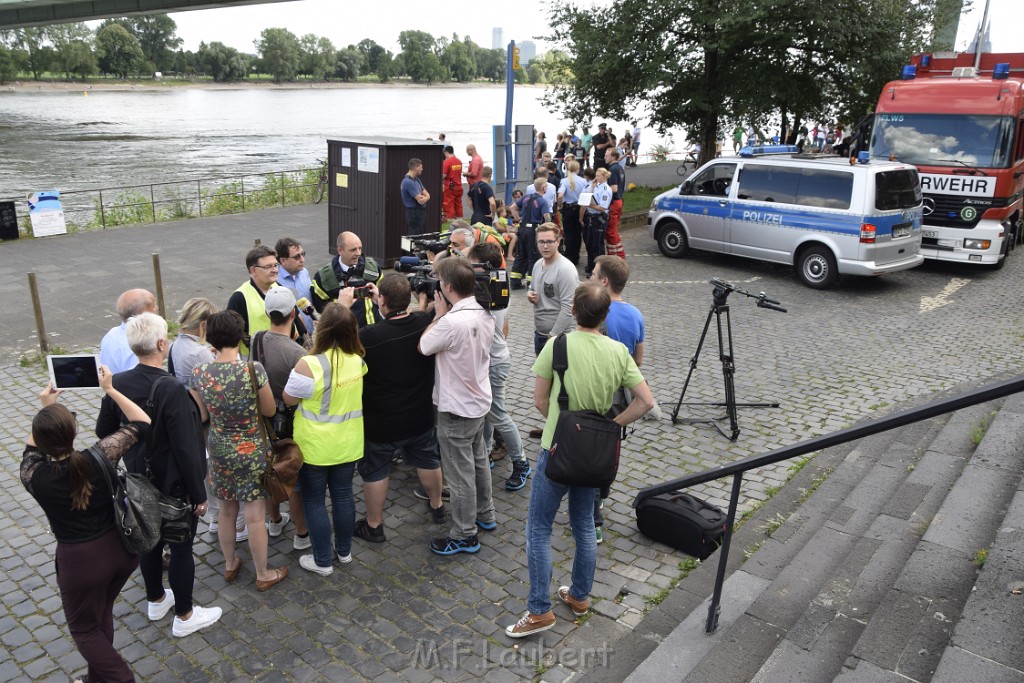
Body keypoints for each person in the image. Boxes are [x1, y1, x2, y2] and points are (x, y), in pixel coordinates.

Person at [505, 282, 654, 638]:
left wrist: (561, 426)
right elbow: (646, 402)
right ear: (605, 316)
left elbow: (540, 400)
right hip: (594, 454)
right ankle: (579, 596)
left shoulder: (558, 345)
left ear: (573, 311)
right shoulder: (618, 351)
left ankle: (540, 610)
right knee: (585, 524)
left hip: (556, 448)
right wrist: (611, 426)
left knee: (539, 527)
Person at [95, 312, 221, 637]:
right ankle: (185, 614)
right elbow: (187, 449)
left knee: (147, 542)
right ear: (162, 344)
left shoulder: (118, 383)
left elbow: (104, 431)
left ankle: (155, 600)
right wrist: (198, 494)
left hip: (138, 481)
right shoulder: (173, 389)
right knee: (180, 549)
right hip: (174, 484)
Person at [23, 367, 151, 682]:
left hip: (80, 563)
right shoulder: (99, 456)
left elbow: (30, 451)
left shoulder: (34, 476)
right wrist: (109, 388)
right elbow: (142, 422)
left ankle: (121, 678)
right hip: (121, 552)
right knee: (101, 613)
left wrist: (46, 409)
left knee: (84, 629)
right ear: (75, 431)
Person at [192, 311, 288, 592]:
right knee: (256, 516)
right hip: (251, 448)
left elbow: (200, 415)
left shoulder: (199, 372)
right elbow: (269, 410)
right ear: (239, 336)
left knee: (226, 511)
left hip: (220, 448)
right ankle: (262, 573)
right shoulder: (252, 369)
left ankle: (230, 562)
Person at [355, 273, 446, 543]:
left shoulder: (368, 337)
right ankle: (437, 506)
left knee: (376, 471)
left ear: (381, 300)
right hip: (419, 415)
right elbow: (418, 316)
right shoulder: (424, 322)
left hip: (382, 422)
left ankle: (374, 525)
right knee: (428, 460)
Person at [418, 256, 496, 555]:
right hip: (478, 401)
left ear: (447, 287)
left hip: (455, 409)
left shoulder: (450, 322)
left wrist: (437, 314)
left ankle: (465, 534)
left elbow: (424, 346)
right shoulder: (484, 313)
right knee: (478, 461)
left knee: (459, 475)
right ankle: (485, 514)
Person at [283, 303, 367, 575]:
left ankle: (321, 561)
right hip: (348, 443)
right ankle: (344, 552)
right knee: (344, 497)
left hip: (315, 446)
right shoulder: (358, 361)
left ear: (323, 329)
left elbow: (288, 398)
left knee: (315, 501)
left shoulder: (309, 364)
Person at [249, 287, 310, 550]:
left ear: (267, 313)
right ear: (293, 313)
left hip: (263, 419)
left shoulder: (256, 339)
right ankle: (302, 534)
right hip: (291, 422)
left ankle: (274, 521)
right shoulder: (298, 354)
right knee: (292, 476)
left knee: (270, 469)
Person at [469, 242, 531, 491]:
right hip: (490, 359)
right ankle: (484, 455)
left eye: (471, 263)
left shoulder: (488, 292)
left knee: (498, 415)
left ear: (483, 267)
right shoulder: (497, 284)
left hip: (493, 362)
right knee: (486, 413)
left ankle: (521, 463)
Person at [226, 245, 291, 357]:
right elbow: (230, 338)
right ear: (253, 270)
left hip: (281, 355)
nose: (274, 270)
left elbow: (295, 318)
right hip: (253, 361)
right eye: (268, 267)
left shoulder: (279, 288)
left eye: (276, 265)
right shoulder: (240, 298)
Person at [310, 230, 382, 327]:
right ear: (340, 250)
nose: (358, 253)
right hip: (346, 334)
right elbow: (321, 307)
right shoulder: (324, 277)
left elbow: (384, 295)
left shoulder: (372, 268)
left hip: (373, 330)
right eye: (353, 250)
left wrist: (378, 300)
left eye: (360, 248)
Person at [509, 177, 553, 290]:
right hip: (533, 231)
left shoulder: (525, 198)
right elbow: (547, 217)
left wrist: (519, 220)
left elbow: (513, 207)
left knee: (520, 255)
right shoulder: (542, 201)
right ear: (543, 187)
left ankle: (514, 281)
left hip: (522, 229)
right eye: (546, 186)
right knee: (533, 256)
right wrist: (548, 229)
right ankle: (531, 283)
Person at [99, 289, 157, 373]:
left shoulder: (111, 333)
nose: (156, 308)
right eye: (154, 306)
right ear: (144, 313)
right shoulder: (139, 345)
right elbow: (138, 380)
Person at [275, 236, 314, 335]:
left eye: (303, 254)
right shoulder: (275, 282)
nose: (302, 259)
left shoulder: (304, 272)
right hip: (292, 337)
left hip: (310, 334)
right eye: (297, 257)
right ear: (283, 261)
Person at [579, 167, 613, 276]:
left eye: (598, 176)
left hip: (599, 218)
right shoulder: (596, 186)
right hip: (591, 216)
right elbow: (590, 196)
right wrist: (592, 187)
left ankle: (600, 270)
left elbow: (603, 207)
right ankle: (591, 266)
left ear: (604, 176)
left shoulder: (606, 190)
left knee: (597, 245)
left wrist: (589, 204)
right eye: (596, 175)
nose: (596, 178)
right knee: (589, 242)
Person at [558, 160, 584, 266]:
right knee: (577, 234)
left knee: (568, 234)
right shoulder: (583, 181)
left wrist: (560, 205)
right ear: (578, 169)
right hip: (579, 208)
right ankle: (576, 256)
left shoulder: (564, 181)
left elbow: (560, 195)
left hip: (568, 209)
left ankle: (569, 256)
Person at [605, 148, 627, 260]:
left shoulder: (612, 169)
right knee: (612, 230)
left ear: (613, 157)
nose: (605, 157)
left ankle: (617, 257)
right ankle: (615, 255)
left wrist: (602, 188)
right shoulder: (620, 168)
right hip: (619, 201)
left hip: (614, 202)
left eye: (607, 155)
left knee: (611, 231)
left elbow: (614, 188)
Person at [401, 158, 430, 235]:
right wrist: (424, 197)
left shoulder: (417, 180)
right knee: (416, 237)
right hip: (414, 214)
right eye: (421, 167)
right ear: (416, 167)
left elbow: (428, 195)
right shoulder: (408, 182)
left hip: (420, 213)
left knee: (422, 235)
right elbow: (420, 200)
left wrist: (425, 197)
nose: (422, 169)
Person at [441, 146, 464, 220]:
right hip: (459, 186)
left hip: (450, 187)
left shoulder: (447, 162)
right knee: (458, 204)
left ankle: (450, 220)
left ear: (446, 152)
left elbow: (443, 175)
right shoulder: (459, 161)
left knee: (449, 204)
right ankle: (460, 220)